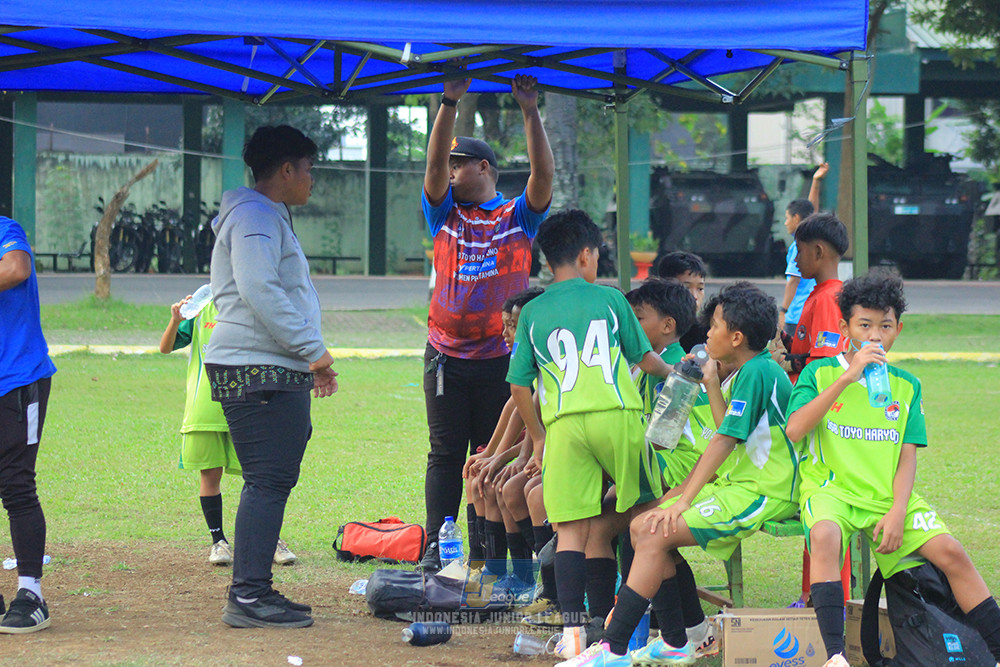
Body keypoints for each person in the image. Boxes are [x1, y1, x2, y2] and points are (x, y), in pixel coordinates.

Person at [573, 282, 801, 666]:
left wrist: (684, 500)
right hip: (738, 483)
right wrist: (711, 382)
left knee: (652, 530)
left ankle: (614, 648)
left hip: (765, 491)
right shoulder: (750, 370)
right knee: (642, 525)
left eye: (715, 326)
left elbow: (724, 441)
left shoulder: (758, 372)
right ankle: (685, 638)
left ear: (737, 337)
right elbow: (728, 427)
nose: (707, 333)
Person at [784, 270, 1000, 667]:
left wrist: (899, 510)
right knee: (825, 535)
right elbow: (795, 429)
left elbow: (906, 455)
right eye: (864, 325)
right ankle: (835, 656)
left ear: (898, 329)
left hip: (887, 496)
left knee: (951, 552)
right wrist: (848, 377)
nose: (875, 336)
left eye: (885, 326)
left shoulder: (906, 385)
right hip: (832, 491)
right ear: (845, 327)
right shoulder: (820, 373)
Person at [507, 209, 672, 660]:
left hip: (563, 426)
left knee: (570, 531)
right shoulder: (611, 299)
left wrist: (540, 437)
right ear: (585, 255)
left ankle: (574, 634)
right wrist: (676, 373)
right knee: (652, 516)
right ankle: (673, 628)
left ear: (547, 260)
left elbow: (519, 385)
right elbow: (645, 359)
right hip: (616, 417)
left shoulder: (532, 312)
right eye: (597, 255)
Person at [204, 125, 338, 629]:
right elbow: (259, 287)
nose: (311, 179)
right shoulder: (256, 215)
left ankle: (253, 589)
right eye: (308, 169)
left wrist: (305, 360)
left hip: (267, 365)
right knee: (267, 480)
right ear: (286, 169)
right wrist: (313, 351)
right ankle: (249, 595)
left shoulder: (263, 214)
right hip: (255, 367)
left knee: (271, 478)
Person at [419, 72, 554, 571]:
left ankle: (484, 554)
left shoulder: (518, 217)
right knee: (444, 454)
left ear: (484, 168)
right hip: (445, 358)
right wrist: (448, 102)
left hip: (501, 360)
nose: (450, 172)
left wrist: (530, 110)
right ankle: (436, 547)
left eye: (460, 165)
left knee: (492, 453)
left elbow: (543, 176)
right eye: (449, 165)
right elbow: (432, 166)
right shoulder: (444, 215)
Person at [159, 291, 297, 567]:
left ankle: (270, 540)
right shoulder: (201, 306)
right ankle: (218, 542)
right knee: (210, 475)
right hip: (205, 408)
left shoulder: (257, 303)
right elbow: (165, 347)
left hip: (248, 405)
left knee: (260, 477)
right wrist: (175, 320)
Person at [0, 216, 57, 634]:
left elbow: (16, 268)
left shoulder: (5, 229)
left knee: (16, 483)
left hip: (18, 379)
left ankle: (31, 594)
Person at [785, 213, 850, 383]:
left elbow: (825, 363)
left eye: (799, 251)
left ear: (818, 252)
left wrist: (788, 362)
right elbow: (809, 348)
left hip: (811, 395)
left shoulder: (827, 299)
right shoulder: (821, 294)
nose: (795, 259)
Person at [778, 163, 828, 337]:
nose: (786, 223)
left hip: (796, 315)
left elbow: (793, 280)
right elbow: (811, 212)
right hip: (815, 311)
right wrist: (816, 181)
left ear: (796, 218)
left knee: (792, 353)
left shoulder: (798, 247)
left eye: (787, 218)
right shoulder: (814, 240)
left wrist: (783, 310)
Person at [652, 251, 707, 352]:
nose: (695, 296)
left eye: (700, 289)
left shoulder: (707, 335)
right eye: (686, 288)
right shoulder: (651, 329)